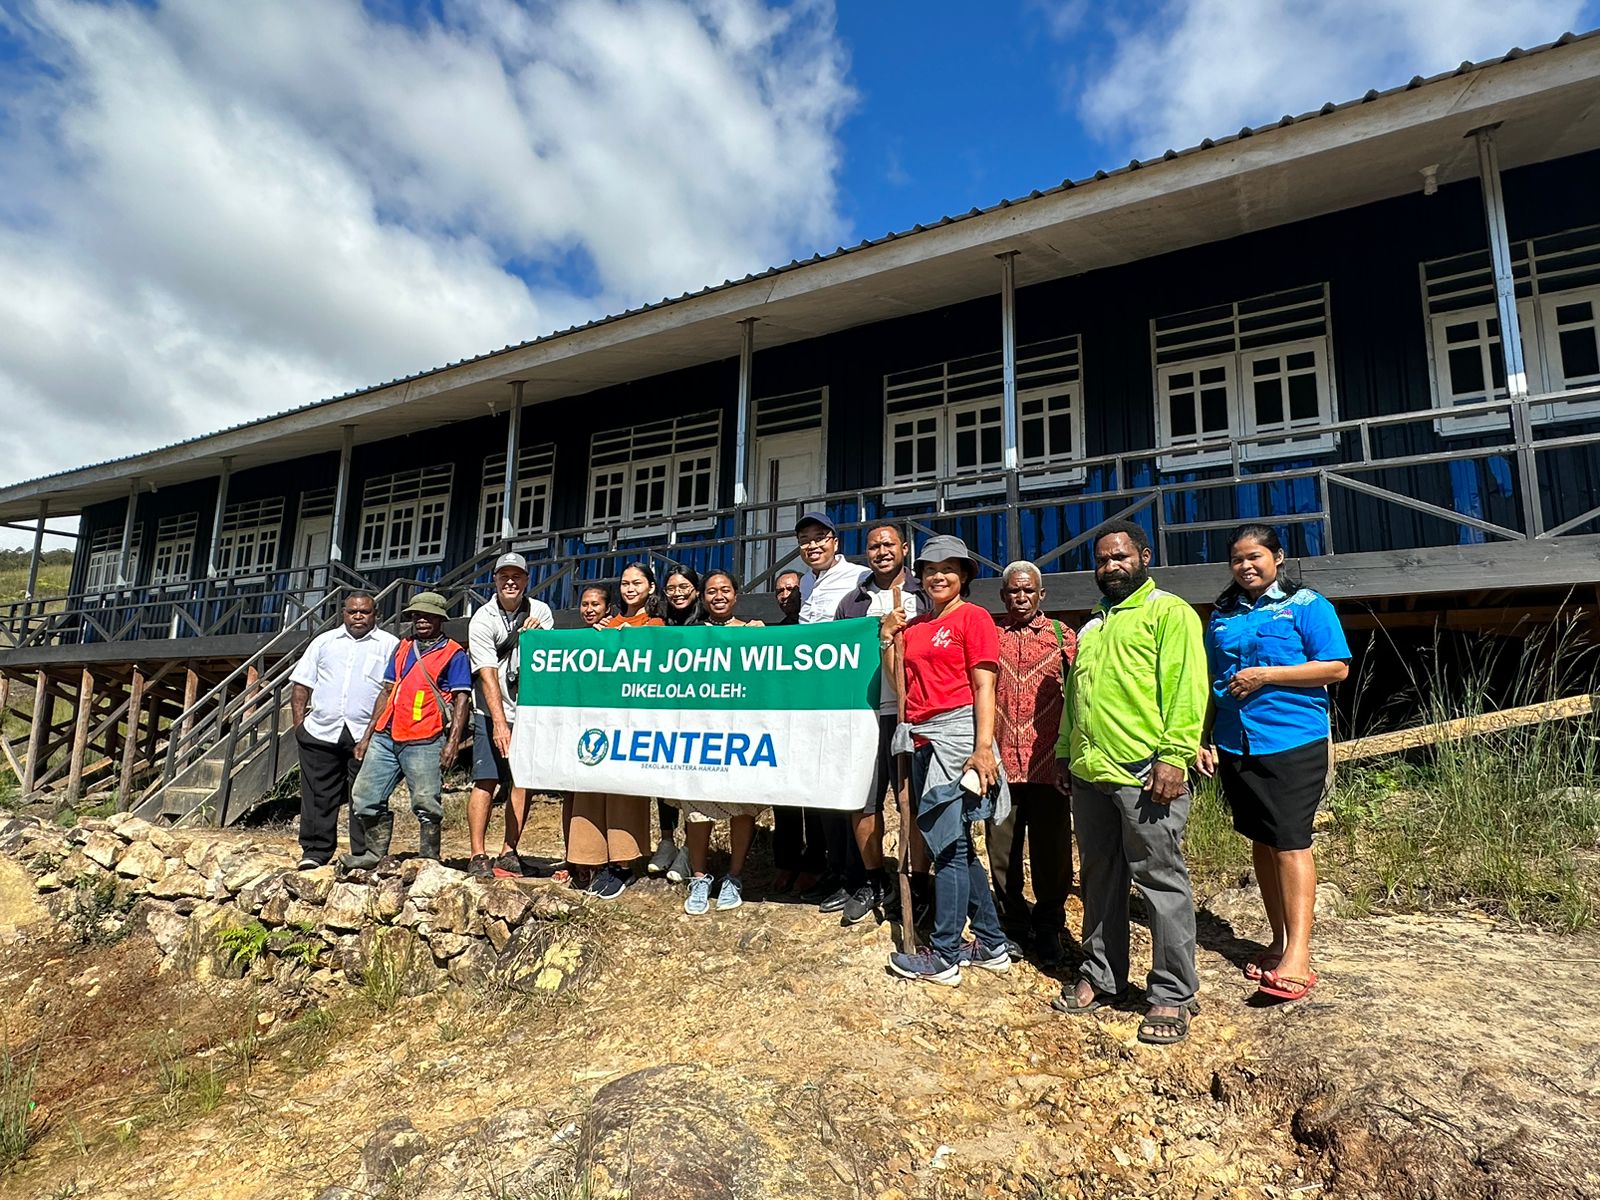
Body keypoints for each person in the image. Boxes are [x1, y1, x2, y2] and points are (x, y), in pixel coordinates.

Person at [1053, 520, 1206, 1046]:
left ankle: (1172, 991)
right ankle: (1102, 975)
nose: (1110, 567)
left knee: (1160, 881)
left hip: (1145, 773)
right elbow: (1078, 698)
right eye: (1102, 560)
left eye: (1119, 557)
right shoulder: (1094, 624)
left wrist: (1175, 756)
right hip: (1091, 773)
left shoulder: (1169, 613)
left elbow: (1186, 689)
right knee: (1100, 878)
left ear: (1144, 556)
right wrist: (1066, 753)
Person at [1196, 524, 1349, 1003]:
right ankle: (1278, 939)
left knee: (1289, 841)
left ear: (1278, 557)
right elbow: (1211, 682)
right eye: (1238, 559)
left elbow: (1336, 667)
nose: (1246, 566)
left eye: (1255, 556)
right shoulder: (1221, 615)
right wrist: (1203, 737)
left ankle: (1299, 955)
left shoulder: (1307, 605)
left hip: (1291, 740)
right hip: (1237, 743)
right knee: (1261, 840)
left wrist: (1269, 674)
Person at [880, 534, 1010, 985]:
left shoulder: (972, 618)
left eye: (949, 568)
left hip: (957, 741)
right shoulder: (914, 629)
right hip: (921, 740)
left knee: (948, 849)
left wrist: (982, 748)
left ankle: (945, 954)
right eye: (931, 569)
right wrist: (887, 640)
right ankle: (991, 942)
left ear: (965, 576)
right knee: (955, 846)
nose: (938, 575)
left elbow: (984, 687)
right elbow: (904, 691)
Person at [832, 523, 928, 926]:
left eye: (889, 544)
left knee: (915, 804)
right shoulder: (852, 601)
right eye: (874, 546)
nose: (882, 551)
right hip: (865, 714)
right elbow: (834, 653)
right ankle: (874, 881)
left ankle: (919, 884)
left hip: (912, 712)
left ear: (904, 548)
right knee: (863, 800)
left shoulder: (925, 595)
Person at [988, 561, 1077, 967]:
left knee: (1052, 851)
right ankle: (1013, 925)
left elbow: (1079, 698)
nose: (1020, 598)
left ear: (1041, 595)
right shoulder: (990, 637)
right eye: (1013, 591)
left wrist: (1070, 755)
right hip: (1001, 764)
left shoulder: (1064, 638)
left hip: (1048, 765)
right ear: (1003, 595)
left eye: (1028, 591)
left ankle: (1048, 926)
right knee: (1001, 849)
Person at [343, 591, 472, 869]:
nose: (421, 620)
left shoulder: (454, 653)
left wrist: (453, 742)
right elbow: (387, 690)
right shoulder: (403, 647)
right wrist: (367, 736)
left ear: (440, 619)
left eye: (428, 616)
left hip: (425, 736)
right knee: (365, 796)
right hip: (386, 733)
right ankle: (374, 854)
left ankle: (428, 858)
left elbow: (462, 699)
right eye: (417, 616)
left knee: (426, 801)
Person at [789, 512, 868, 912]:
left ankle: (860, 878)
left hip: (848, 703)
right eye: (805, 540)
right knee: (822, 790)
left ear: (835, 540)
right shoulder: (805, 581)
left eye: (820, 538)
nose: (812, 546)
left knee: (848, 792)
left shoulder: (858, 577)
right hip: (814, 702)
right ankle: (836, 872)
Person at [569, 563, 663, 899]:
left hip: (632, 719)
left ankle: (623, 863)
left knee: (622, 792)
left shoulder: (655, 625)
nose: (630, 589)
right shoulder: (606, 625)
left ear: (651, 588)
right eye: (624, 583)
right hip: (598, 717)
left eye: (637, 583)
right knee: (591, 786)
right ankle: (588, 860)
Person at [289, 591, 398, 870]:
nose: (358, 616)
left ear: (376, 614)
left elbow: (392, 690)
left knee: (364, 795)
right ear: (343, 613)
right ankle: (315, 852)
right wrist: (299, 727)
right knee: (317, 795)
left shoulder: (390, 645)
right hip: (322, 731)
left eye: (365, 612)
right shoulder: (324, 642)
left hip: (366, 733)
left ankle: (362, 853)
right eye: (353, 612)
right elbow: (301, 684)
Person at [679, 569, 766, 915]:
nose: (718, 596)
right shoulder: (688, 636)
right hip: (700, 731)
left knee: (741, 804)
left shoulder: (754, 631)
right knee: (697, 805)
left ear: (735, 595)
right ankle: (699, 876)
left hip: (741, 732)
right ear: (702, 597)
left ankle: (734, 875)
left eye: (725, 590)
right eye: (711, 591)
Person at [465, 553, 554, 879]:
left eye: (517, 576)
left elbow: (548, 658)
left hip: (528, 709)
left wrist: (537, 636)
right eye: (505, 576)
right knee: (486, 779)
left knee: (522, 780)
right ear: (496, 580)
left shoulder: (540, 611)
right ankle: (477, 854)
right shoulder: (482, 618)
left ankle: (509, 851)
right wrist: (499, 723)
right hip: (491, 708)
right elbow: (486, 673)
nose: (511, 582)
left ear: (526, 580)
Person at [552, 585, 611, 889]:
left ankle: (599, 859)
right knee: (570, 795)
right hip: (576, 726)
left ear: (607, 608)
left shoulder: (614, 634)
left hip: (607, 727)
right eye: (585, 604)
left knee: (598, 796)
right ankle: (571, 856)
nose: (589, 609)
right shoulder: (573, 641)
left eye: (596, 604)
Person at [645, 565, 703, 879]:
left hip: (698, 711)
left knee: (691, 780)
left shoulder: (707, 621)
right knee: (662, 776)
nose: (678, 593)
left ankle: (689, 851)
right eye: (672, 588)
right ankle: (666, 840)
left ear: (696, 589)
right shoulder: (660, 621)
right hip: (664, 709)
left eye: (684, 587)